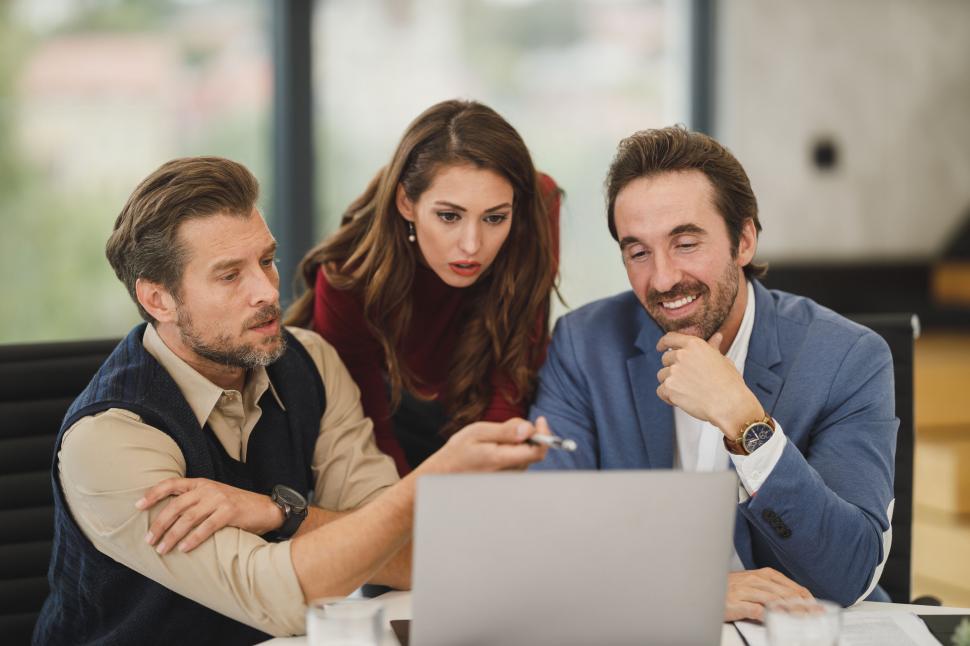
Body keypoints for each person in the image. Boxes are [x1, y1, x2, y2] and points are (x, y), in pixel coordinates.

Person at [33, 156, 549, 645]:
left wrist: (281, 513)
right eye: (230, 274)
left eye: (267, 260)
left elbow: (409, 551)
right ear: (157, 300)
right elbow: (272, 598)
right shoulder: (109, 437)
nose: (267, 291)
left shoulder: (311, 362)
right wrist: (432, 480)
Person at [529, 126, 897, 621]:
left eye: (685, 243)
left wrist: (747, 425)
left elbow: (846, 573)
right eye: (638, 252)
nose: (662, 278)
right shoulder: (584, 344)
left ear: (743, 240)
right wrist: (686, 590)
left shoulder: (848, 358)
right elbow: (548, 540)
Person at [286, 99, 560, 475]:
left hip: (479, 404)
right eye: (449, 216)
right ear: (406, 203)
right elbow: (371, 441)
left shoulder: (536, 207)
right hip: (385, 421)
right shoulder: (347, 276)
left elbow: (514, 368)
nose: (471, 245)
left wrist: (484, 482)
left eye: (494, 218)